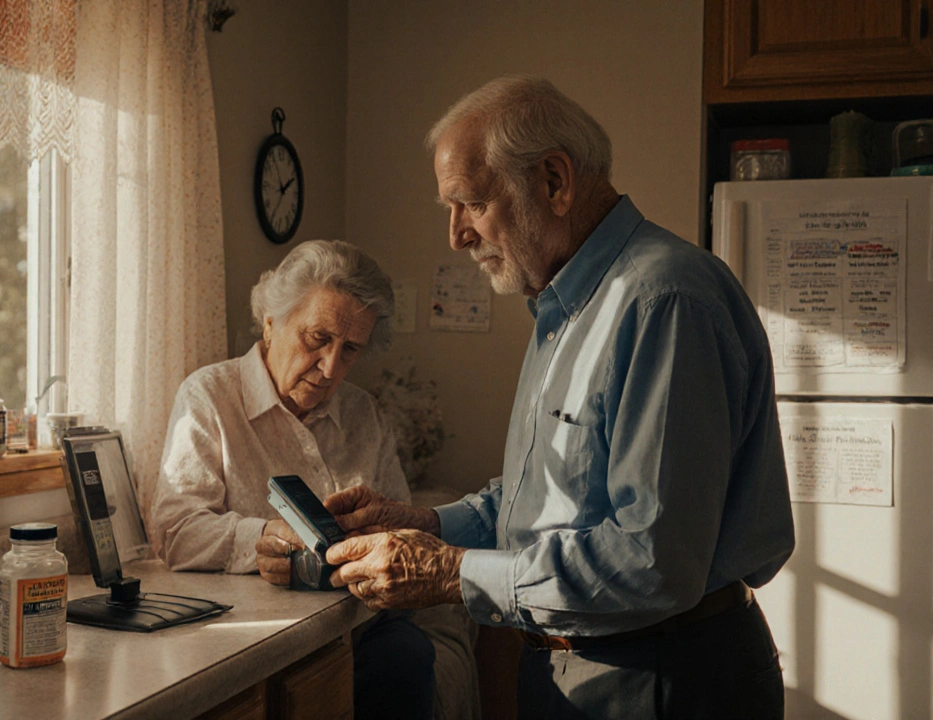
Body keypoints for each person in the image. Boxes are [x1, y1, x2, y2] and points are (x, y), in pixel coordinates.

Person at [321, 76, 796, 719]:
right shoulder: (565, 306)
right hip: (583, 667)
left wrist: (448, 572)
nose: (457, 236)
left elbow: (652, 559)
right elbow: (542, 505)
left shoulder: (663, 301)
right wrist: (423, 526)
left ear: (553, 181)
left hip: (660, 678)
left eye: (470, 204)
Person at [150, 239, 479, 720]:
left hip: (366, 627)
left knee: (406, 656)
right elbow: (175, 530)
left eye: (350, 351)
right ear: (270, 321)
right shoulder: (209, 398)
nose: (330, 369)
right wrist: (259, 537)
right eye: (317, 338)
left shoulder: (364, 414)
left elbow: (404, 533)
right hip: (257, 630)